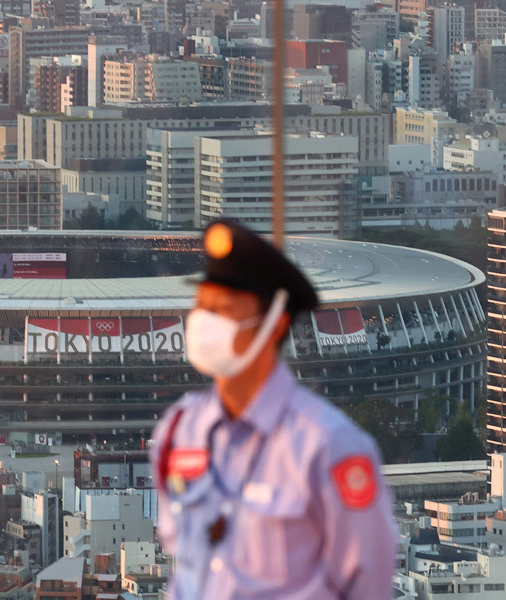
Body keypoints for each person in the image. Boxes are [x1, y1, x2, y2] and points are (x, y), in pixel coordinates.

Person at [150, 220, 398, 599]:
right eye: (202, 306)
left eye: (224, 309)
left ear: (273, 322)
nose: (203, 322)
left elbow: (368, 585)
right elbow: (183, 570)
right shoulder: (178, 432)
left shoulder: (329, 446)